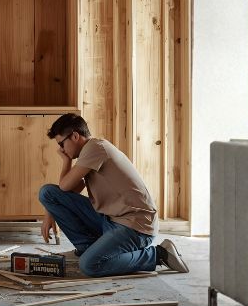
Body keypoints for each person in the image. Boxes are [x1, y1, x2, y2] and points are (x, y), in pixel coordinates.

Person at [39, 113, 189, 277]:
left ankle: (158, 254)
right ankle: (86, 249)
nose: (61, 150)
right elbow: (65, 192)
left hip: (135, 227)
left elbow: (64, 185)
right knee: (47, 193)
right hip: (110, 219)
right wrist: (49, 213)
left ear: (75, 136)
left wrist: (66, 161)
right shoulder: (88, 154)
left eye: (62, 144)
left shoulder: (95, 148)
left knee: (90, 265)